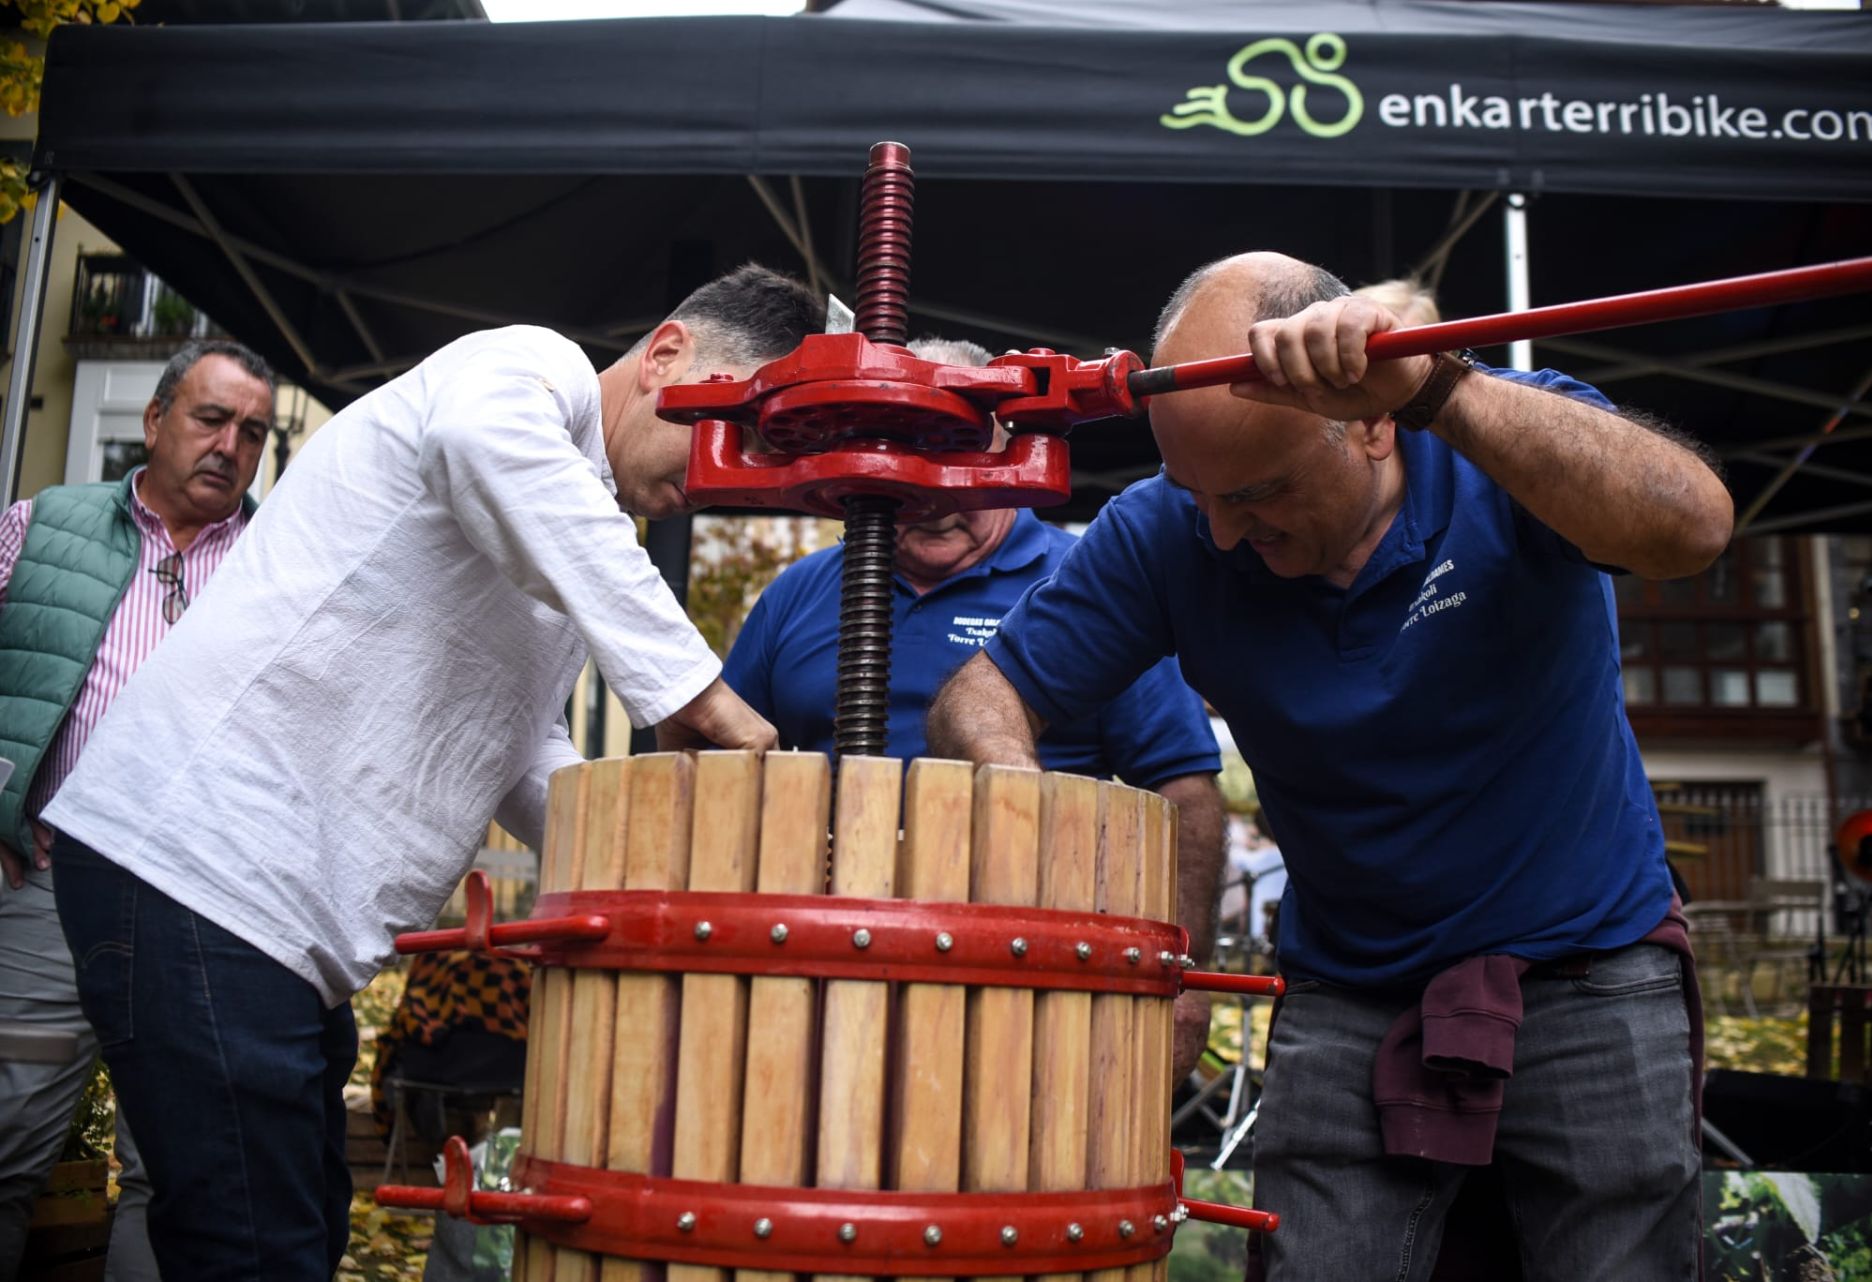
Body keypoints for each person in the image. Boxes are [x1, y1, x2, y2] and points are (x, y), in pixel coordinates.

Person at [927, 252, 1732, 1280]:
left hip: (1590, 966)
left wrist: (1444, 381)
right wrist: (1019, 798)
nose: (1223, 530)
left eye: (1258, 491)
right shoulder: (1172, 533)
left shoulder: (1499, 442)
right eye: (1198, 494)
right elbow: (977, 698)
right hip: (1349, 989)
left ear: (1370, 421)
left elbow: (1693, 530)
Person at [41, 265, 816, 1280]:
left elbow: (517, 743)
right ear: (668, 354)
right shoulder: (526, 371)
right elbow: (484, 445)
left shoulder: (572, 526)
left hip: (266, 927)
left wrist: (650, 860)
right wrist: (698, 692)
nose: (725, 471)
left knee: (299, 1229)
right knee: (251, 1250)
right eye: (731, 426)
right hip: (196, 872)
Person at [716, 336, 1227, 1075]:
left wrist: (1184, 977)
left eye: (953, 459)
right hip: (815, 968)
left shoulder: (1084, 587)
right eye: (905, 468)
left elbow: (1183, 787)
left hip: (1022, 974)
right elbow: (718, 757)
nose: (931, 499)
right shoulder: (799, 592)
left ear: (1005, 448)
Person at [0, 339, 276, 1282]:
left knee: (174, 1179)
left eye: (253, 433)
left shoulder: (285, 567)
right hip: (45, 893)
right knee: (4, 1144)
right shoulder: (41, 527)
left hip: (205, 911)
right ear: (155, 421)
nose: (230, 446)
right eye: (211, 418)